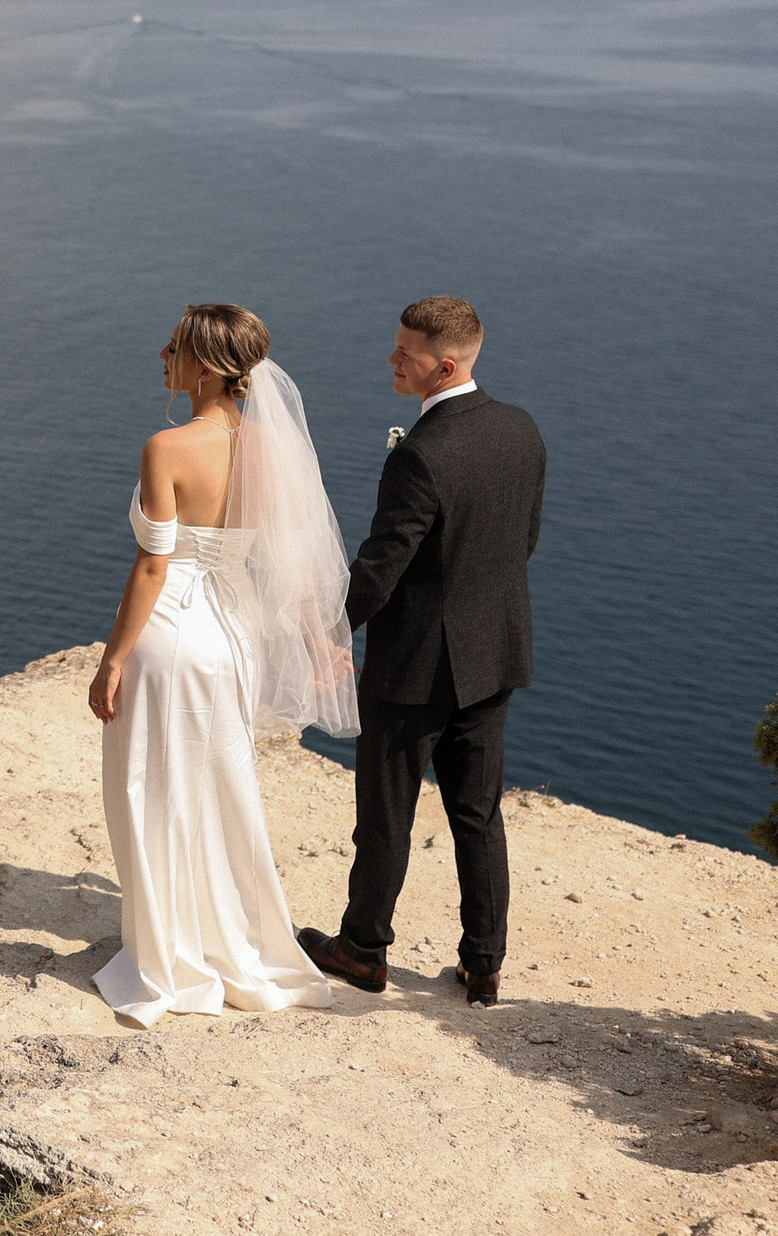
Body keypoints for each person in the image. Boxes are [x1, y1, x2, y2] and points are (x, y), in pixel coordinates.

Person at [87, 303, 356, 1028]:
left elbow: (153, 566)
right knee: (222, 787)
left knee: (149, 789)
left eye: (172, 346)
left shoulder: (167, 447)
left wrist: (111, 661)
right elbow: (290, 553)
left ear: (203, 367)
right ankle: (230, 940)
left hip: (171, 635)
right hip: (233, 637)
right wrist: (315, 634)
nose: (160, 353)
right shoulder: (274, 447)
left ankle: (169, 955)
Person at [299, 295, 546, 1008]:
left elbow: (381, 567)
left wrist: (327, 631)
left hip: (412, 667)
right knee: (478, 814)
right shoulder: (520, 430)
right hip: (493, 654)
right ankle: (484, 965)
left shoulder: (421, 456)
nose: (390, 360)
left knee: (387, 812)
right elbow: (522, 540)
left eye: (403, 353)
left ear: (442, 366)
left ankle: (364, 949)